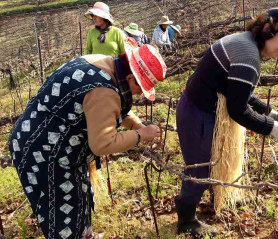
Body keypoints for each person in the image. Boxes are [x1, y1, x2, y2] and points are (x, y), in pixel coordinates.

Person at [8, 42, 166, 238]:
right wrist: (141, 136)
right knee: (64, 216)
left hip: (48, 142)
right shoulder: (104, 90)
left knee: (78, 199)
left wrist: (136, 126)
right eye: (141, 87)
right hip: (44, 153)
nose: (140, 93)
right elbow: (103, 143)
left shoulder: (101, 64)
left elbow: (108, 109)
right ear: (130, 77)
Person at [175, 7, 278, 237]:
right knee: (201, 167)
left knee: (215, 158)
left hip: (200, 107)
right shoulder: (248, 56)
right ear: (267, 29)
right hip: (196, 112)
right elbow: (237, 110)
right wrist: (271, 127)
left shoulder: (246, 44)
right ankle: (187, 220)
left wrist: (268, 111)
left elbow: (236, 90)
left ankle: (217, 198)